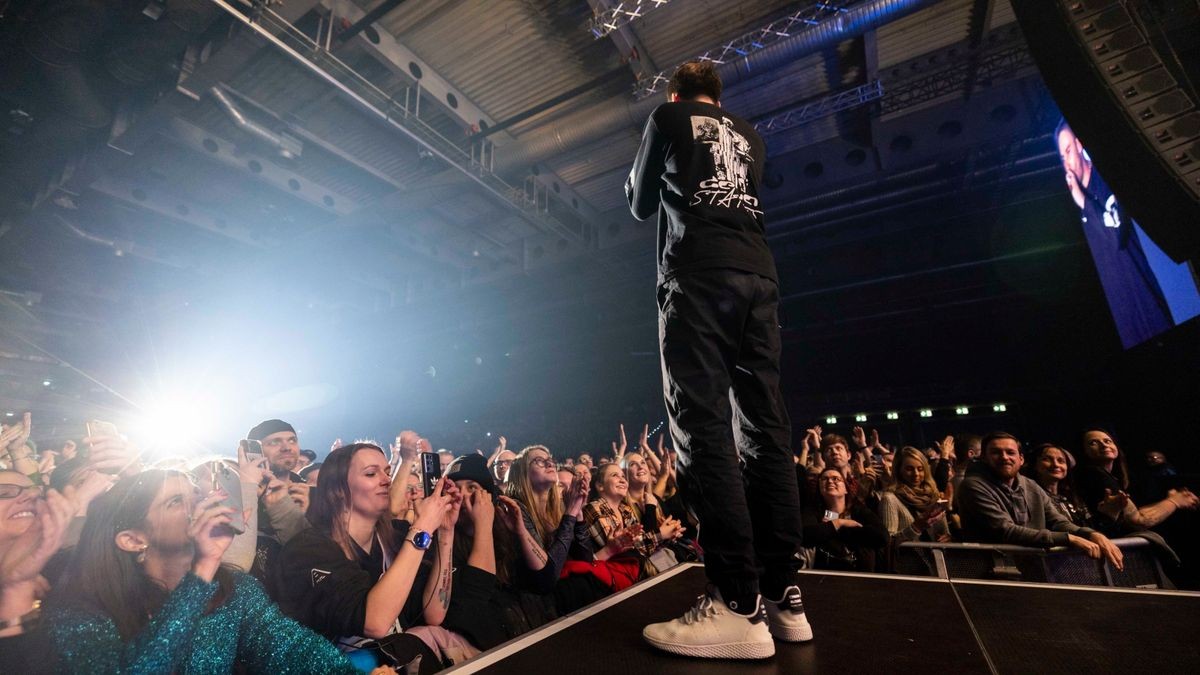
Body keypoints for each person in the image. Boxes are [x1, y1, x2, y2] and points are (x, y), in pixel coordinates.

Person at [627, 60, 809, 659]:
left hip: (699, 275)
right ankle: (785, 598)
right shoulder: (750, 134)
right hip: (758, 275)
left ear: (678, 91)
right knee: (765, 429)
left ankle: (736, 603)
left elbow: (638, 200)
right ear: (719, 96)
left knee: (701, 427)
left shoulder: (668, 114)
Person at [45, 469, 367, 673]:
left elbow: (291, 648)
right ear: (133, 539)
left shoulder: (236, 588)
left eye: (195, 494)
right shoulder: (83, 607)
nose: (199, 504)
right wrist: (202, 569)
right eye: (175, 501)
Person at [273, 443, 472, 670]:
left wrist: (446, 531)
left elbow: (435, 612)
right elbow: (375, 622)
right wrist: (423, 528)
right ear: (337, 490)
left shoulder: (397, 536)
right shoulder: (307, 550)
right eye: (371, 473)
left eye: (387, 472)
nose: (387, 480)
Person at [1056, 120, 1175, 347]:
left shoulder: (1105, 181)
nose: (1067, 164)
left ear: (1080, 145)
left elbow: (1116, 235)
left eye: (1069, 151)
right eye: (1062, 157)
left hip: (1146, 301)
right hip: (1125, 317)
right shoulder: (1082, 205)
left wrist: (1082, 202)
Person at [957, 432, 1124, 571]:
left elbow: (1058, 521)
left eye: (1010, 452)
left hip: (1032, 568)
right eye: (996, 452)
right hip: (990, 572)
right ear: (984, 459)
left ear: (1021, 459)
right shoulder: (973, 485)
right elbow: (1005, 530)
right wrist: (1069, 539)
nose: (1004, 457)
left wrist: (1090, 534)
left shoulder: (1030, 485)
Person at [245, 419, 311, 583]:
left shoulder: (314, 494)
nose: (287, 447)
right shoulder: (244, 497)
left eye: (292, 440)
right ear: (256, 452)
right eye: (274, 442)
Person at [802, 469, 888, 572]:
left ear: (846, 489)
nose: (830, 481)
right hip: (824, 576)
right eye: (824, 479)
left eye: (836, 478)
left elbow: (882, 536)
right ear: (819, 488)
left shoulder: (859, 510)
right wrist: (839, 522)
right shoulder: (812, 511)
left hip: (862, 576)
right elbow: (805, 534)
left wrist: (836, 529)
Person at [877, 447, 951, 544]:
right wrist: (915, 527)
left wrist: (948, 538)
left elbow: (944, 532)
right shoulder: (890, 499)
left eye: (920, 469)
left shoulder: (933, 495)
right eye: (909, 469)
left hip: (938, 558)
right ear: (899, 471)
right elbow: (889, 543)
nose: (916, 474)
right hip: (909, 558)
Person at [1025, 444, 1092, 528]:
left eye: (1061, 461)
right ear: (1034, 465)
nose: (1056, 465)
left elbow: (1091, 527)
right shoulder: (1030, 497)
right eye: (1047, 459)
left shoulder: (1072, 497)